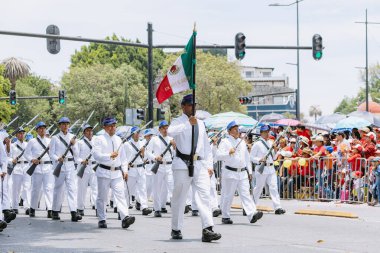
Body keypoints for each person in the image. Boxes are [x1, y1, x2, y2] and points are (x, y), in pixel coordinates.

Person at [168, 94, 221, 242]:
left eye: (194, 105)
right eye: (190, 105)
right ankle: (176, 228)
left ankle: (207, 229)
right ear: (183, 106)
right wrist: (187, 124)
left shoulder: (201, 123)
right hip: (182, 163)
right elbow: (171, 132)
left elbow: (206, 147)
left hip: (199, 164)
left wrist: (209, 165)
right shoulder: (177, 121)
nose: (193, 108)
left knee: (204, 195)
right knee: (179, 198)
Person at [92, 117, 135, 229]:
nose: (112, 128)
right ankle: (102, 219)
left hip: (116, 172)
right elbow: (96, 155)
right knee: (102, 197)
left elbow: (124, 158)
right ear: (105, 127)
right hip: (104, 171)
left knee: (120, 195)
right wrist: (109, 155)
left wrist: (125, 170)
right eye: (110, 126)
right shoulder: (99, 139)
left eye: (114, 126)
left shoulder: (118, 140)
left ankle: (125, 217)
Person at [217, 120, 263, 224]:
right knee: (228, 195)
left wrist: (249, 172)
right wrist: (228, 152)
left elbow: (247, 158)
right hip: (230, 172)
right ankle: (225, 215)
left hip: (242, 172)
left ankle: (252, 214)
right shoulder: (225, 142)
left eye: (237, 129)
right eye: (234, 129)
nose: (237, 131)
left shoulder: (241, 142)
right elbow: (218, 155)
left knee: (245, 194)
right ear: (229, 131)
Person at [49, 117, 82, 222]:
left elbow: (76, 154)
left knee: (72, 189)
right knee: (58, 189)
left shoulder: (73, 137)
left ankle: (73, 212)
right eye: (63, 124)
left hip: (70, 165)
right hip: (60, 165)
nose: (65, 126)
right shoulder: (55, 138)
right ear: (59, 125)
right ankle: (55, 211)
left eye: (67, 124)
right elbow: (51, 153)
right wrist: (57, 158)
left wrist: (74, 145)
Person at [250, 125, 285, 215]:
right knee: (258, 188)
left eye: (268, 132)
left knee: (274, 187)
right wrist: (259, 159)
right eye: (265, 132)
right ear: (261, 133)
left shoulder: (271, 142)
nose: (267, 133)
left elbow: (273, 157)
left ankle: (278, 207)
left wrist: (275, 149)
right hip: (262, 168)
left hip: (271, 168)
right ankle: (250, 206)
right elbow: (251, 157)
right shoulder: (257, 144)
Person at [24, 121, 54, 218]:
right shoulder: (32, 141)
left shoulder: (50, 141)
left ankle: (50, 209)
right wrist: (32, 159)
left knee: (48, 188)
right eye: (40, 128)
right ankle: (32, 208)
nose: (42, 130)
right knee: (35, 189)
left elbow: (53, 154)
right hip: (37, 168)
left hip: (48, 167)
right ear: (37, 130)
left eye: (44, 128)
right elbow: (26, 154)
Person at [146, 121, 175, 217]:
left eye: (167, 128)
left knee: (172, 187)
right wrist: (155, 157)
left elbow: (175, 154)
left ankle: (175, 207)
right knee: (157, 188)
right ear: (159, 129)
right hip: (159, 166)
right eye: (163, 128)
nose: (165, 130)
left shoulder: (172, 139)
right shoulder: (154, 139)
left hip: (170, 166)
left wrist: (174, 146)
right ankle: (157, 209)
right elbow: (148, 152)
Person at [124, 126, 152, 216]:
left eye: (138, 132)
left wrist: (143, 153)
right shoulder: (127, 144)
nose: (137, 134)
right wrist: (125, 168)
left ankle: (144, 207)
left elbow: (145, 156)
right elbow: (123, 158)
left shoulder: (142, 143)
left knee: (142, 189)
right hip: (131, 169)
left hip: (140, 169)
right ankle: (125, 207)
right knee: (128, 189)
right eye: (136, 133)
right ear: (132, 134)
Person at [77, 124, 98, 216]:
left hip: (94, 167)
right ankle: (80, 207)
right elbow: (76, 157)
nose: (90, 132)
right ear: (84, 133)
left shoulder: (96, 142)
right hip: (84, 167)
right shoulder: (80, 143)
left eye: (91, 131)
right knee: (82, 189)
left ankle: (97, 207)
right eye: (87, 131)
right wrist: (81, 161)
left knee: (96, 188)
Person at [9, 127, 31, 215]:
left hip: (26, 166)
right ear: (16, 135)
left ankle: (27, 207)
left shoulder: (28, 144)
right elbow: (8, 156)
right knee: (16, 188)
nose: (21, 135)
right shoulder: (12, 145)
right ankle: (15, 206)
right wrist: (11, 160)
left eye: (23, 133)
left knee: (27, 187)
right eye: (19, 133)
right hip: (17, 167)